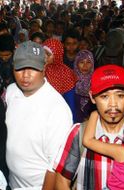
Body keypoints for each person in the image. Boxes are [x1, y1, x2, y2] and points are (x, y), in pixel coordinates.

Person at [5, 41, 73, 189]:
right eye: (20, 68)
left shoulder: (57, 109)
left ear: (43, 67)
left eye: (33, 68)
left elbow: (54, 166)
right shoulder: (11, 92)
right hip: (12, 182)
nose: (25, 75)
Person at [54, 65, 124, 189]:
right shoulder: (79, 133)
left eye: (120, 95)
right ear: (92, 98)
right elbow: (62, 181)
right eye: (104, 96)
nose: (113, 104)